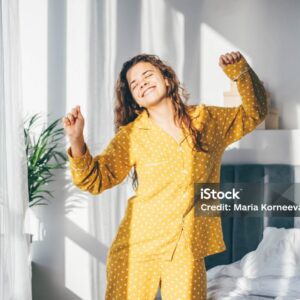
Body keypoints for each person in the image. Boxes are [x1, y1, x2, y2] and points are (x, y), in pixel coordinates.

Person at [62, 51, 268, 299]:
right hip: (136, 247)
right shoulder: (132, 136)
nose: (142, 83)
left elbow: (255, 112)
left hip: (186, 249)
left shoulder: (207, 120)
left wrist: (240, 72)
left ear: (167, 79)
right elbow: (94, 180)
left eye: (147, 75)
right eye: (135, 84)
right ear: (135, 100)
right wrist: (76, 139)